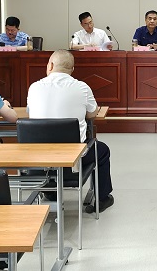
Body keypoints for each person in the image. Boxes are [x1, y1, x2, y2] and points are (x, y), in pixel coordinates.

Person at [27, 50, 114, 212]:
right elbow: (92, 113)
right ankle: (102, 198)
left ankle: (50, 191)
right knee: (102, 150)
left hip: (38, 155)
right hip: (73, 155)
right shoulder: (82, 88)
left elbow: (30, 112)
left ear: (50, 65)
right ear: (72, 70)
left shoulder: (34, 87)